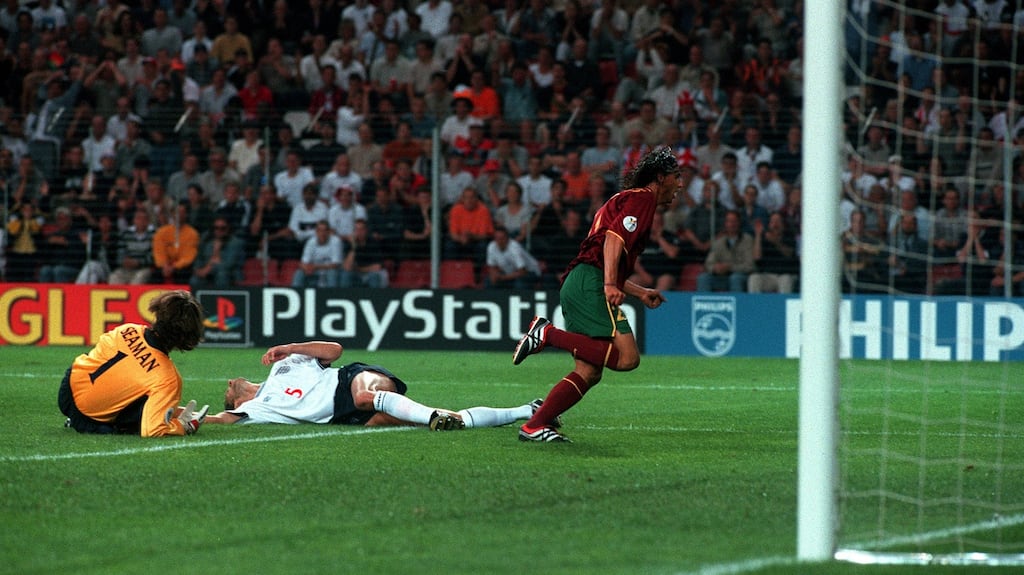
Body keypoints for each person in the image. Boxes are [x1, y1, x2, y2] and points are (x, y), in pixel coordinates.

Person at [510, 146, 679, 443]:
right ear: (660, 177)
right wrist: (610, 284)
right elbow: (613, 239)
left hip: (581, 280)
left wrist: (639, 292)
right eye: (676, 177)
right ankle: (547, 334)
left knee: (589, 371)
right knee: (627, 358)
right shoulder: (643, 199)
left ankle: (534, 425)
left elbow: (604, 249)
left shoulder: (624, 199)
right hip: (591, 282)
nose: (680, 184)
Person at [203, 340, 546, 429]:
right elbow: (220, 419)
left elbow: (334, 351)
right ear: (237, 401)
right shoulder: (256, 408)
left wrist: (291, 347)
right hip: (344, 415)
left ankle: (429, 417)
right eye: (228, 390)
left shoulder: (285, 363)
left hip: (351, 378)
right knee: (450, 420)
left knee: (366, 397)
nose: (230, 382)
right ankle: (527, 411)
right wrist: (186, 418)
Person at [58, 290, 208, 437]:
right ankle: (86, 421)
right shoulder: (168, 379)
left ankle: (76, 416)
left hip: (66, 393)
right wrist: (183, 426)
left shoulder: (127, 329)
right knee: (146, 404)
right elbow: (153, 430)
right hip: (89, 420)